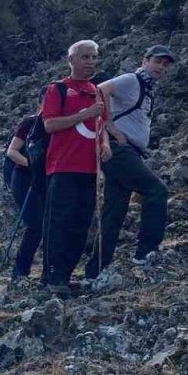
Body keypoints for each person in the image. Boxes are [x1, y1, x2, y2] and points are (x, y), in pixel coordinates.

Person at [84, 45, 176, 278]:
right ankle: (146, 252)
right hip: (119, 150)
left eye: (165, 65)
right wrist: (111, 127)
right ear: (144, 60)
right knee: (156, 191)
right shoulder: (131, 80)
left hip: (126, 151)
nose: (161, 68)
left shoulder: (146, 89)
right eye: (157, 62)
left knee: (114, 211)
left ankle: (95, 271)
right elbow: (99, 91)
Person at [42, 40, 112, 296]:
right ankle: (52, 276)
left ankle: (66, 273)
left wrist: (105, 144)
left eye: (94, 57)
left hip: (90, 170)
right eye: (85, 57)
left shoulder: (98, 91)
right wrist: (84, 114)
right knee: (60, 221)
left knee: (81, 224)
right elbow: (49, 125)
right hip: (63, 166)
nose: (91, 62)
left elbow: (101, 125)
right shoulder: (58, 89)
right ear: (71, 60)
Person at [3, 113, 45, 280]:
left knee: (45, 224)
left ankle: (44, 271)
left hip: (46, 179)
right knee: (35, 224)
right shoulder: (31, 122)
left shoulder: (60, 124)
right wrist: (33, 166)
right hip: (24, 177)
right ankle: (20, 271)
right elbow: (12, 152)